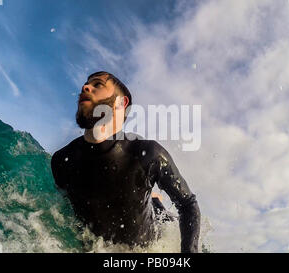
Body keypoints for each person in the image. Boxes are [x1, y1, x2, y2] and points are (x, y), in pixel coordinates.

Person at [51, 71, 201, 253]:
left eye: (97, 85)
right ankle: (152, 198)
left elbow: (187, 204)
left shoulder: (147, 154)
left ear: (121, 104)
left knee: (161, 214)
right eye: (86, 84)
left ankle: (155, 201)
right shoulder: (62, 160)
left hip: (151, 238)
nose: (85, 87)